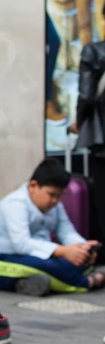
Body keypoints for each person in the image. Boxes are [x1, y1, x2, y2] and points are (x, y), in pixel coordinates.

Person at [0, 158, 104, 298]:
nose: (55, 200)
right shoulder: (15, 204)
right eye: (52, 195)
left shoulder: (55, 205)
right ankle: (87, 281)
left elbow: (66, 232)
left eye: (59, 196)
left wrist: (82, 248)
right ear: (33, 186)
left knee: (62, 263)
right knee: (51, 266)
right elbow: (21, 244)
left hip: (33, 258)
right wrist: (63, 251)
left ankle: (32, 282)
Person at [73, 20, 105, 248]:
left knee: (102, 196)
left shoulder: (94, 52)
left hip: (101, 137)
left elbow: (86, 95)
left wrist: (79, 122)